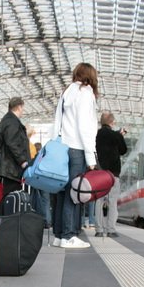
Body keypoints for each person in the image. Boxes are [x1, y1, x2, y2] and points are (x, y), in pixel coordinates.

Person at [50, 63, 99, 249]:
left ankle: (59, 235)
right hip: (76, 148)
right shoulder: (85, 93)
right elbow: (85, 127)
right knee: (74, 193)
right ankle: (69, 236)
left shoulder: (67, 92)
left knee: (62, 193)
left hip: (62, 148)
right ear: (90, 76)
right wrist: (91, 158)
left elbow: (57, 123)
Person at [94, 111, 128, 237]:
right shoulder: (115, 135)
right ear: (112, 122)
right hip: (113, 173)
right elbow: (123, 150)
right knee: (112, 201)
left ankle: (99, 230)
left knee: (99, 201)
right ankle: (110, 229)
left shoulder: (96, 135)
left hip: (100, 173)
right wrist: (120, 136)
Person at [0, 97, 31, 199]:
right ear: (19, 107)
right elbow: (12, 142)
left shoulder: (8, 120)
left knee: (11, 198)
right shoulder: (11, 122)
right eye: (22, 108)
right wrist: (22, 161)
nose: (23, 111)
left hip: (10, 168)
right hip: (11, 169)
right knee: (11, 197)